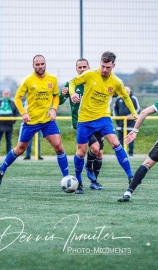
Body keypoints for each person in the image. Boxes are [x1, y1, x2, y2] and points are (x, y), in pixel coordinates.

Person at [69, 51, 138, 194]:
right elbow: (72, 82)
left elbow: (126, 97)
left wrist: (134, 113)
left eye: (108, 67)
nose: (105, 70)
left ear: (113, 65)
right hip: (85, 119)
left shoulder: (117, 82)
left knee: (115, 143)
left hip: (103, 118)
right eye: (102, 66)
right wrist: (72, 93)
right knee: (81, 152)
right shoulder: (90, 74)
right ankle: (79, 182)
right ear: (100, 63)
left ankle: (131, 176)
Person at [0, 54, 69, 185]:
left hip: (47, 121)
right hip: (30, 122)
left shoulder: (52, 79)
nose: (40, 66)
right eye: (37, 64)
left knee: (59, 147)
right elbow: (17, 98)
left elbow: (56, 96)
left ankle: (67, 178)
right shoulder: (28, 80)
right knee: (20, 149)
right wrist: (23, 113)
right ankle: (1, 169)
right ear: (33, 66)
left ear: (45, 64)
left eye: (42, 64)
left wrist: (54, 109)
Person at [60, 58, 104, 190]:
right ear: (76, 69)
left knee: (99, 153)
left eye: (85, 66)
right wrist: (62, 95)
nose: (83, 69)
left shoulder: (94, 82)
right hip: (81, 123)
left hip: (97, 121)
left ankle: (94, 181)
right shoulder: (72, 84)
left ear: (89, 68)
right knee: (88, 150)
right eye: (80, 67)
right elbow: (60, 101)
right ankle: (79, 183)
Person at [113, 86, 140, 158]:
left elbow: (138, 109)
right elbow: (114, 109)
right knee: (120, 139)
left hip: (130, 123)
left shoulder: (134, 99)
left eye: (128, 92)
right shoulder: (118, 98)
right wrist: (117, 118)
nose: (126, 93)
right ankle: (120, 154)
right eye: (125, 91)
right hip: (120, 123)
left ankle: (130, 154)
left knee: (130, 138)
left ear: (130, 92)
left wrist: (131, 115)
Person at [0, 89, 18, 160]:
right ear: (2, 94)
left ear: (9, 94)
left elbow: (16, 113)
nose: (6, 94)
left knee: (9, 142)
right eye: (5, 93)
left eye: (7, 93)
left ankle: (8, 156)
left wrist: (12, 122)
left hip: (9, 125)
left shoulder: (12, 103)